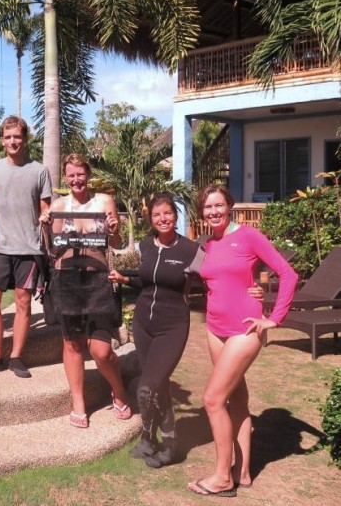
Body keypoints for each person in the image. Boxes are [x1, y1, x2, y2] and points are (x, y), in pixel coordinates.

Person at [187, 184, 297, 497]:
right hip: (214, 327)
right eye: (208, 207)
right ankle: (243, 472)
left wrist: (274, 318)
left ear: (230, 205)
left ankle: (222, 477)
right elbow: (217, 280)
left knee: (212, 399)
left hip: (245, 329)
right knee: (236, 399)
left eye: (218, 205)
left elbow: (287, 273)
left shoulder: (249, 236)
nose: (213, 212)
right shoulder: (208, 242)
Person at [108, 193, 204, 465]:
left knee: (146, 388)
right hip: (143, 324)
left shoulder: (190, 250)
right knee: (158, 385)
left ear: (175, 216)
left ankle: (172, 446)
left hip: (171, 327)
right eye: (157, 215)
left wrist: (250, 290)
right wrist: (126, 278)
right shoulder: (146, 246)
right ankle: (150, 440)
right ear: (150, 219)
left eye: (168, 213)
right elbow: (150, 282)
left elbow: (217, 276)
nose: (163, 219)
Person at [44, 154, 129, 426]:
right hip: (66, 280)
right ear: (65, 177)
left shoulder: (104, 201)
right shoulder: (58, 205)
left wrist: (115, 229)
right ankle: (78, 402)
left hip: (97, 281)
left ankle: (119, 389)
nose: (76, 180)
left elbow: (115, 243)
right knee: (72, 343)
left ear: (88, 175)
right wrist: (46, 228)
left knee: (102, 351)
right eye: (71, 175)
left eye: (80, 174)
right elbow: (51, 249)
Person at [0, 116, 51, 378]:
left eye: (17, 136)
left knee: (23, 302)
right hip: (0, 246)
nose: (12, 141)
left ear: (25, 138)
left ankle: (16, 357)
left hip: (29, 248)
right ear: (2, 140)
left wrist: (47, 228)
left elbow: (45, 208)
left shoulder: (39, 170)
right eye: (8, 137)